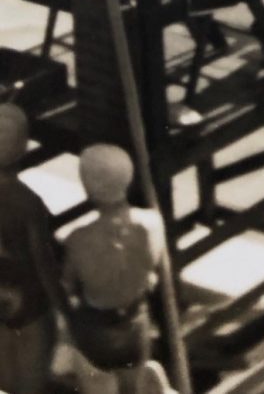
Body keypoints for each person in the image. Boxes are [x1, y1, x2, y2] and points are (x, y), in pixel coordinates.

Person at [63, 144, 170, 394]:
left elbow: (68, 286)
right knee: (131, 387)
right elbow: (154, 269)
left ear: (88, 186)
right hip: (135, 325)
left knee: (94, 380)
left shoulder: (77, 238)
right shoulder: (153, 222)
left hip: (97, 330)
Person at [0, 104, 63, 394]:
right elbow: (43, 261)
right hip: (29, 302)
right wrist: (64, 309)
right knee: (29, 381)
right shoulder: (28, 204)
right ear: (23, 148)